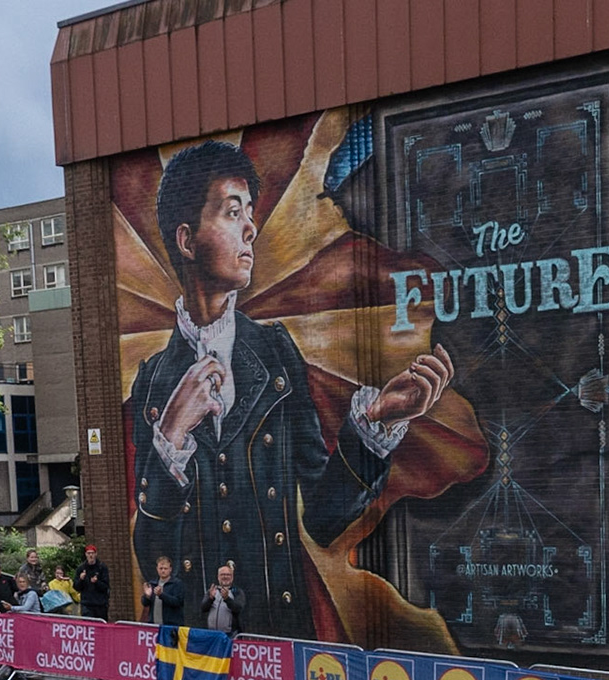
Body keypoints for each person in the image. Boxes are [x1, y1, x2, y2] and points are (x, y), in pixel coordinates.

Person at [130, 138, 454, 641]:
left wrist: (374, 424)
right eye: (232, 212)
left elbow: (324, 518)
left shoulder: (276, 353)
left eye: (250, 214)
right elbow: (153, 553)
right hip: (198, 638)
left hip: (279, 632)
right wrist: (169, 436)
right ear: (187, 240)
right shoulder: (152, 380)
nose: (250, 228)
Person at [141, 555, 185, 628]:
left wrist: (161, 595)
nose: (163, 571)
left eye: (165, 568)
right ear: (157, 569)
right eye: (161, 568)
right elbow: (145, 603)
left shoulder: (177, 583)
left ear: (170, 569)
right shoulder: (153, 584)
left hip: (171, 626)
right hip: (154, 625)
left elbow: (178, 602)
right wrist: (147, 596)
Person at [73, 544, 111, 621]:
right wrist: (81, 579)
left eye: (92, 553)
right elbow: (76, 587)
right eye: (89, 553)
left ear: (96, 554)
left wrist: (96, 582)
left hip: (100, 605)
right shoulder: (81, 568)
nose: (91, 555)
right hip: (87, 604)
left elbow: (106, 586)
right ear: (86, 554)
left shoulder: (102, 567)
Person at [203, 562, 244, 635]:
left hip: (230, 634)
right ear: (218, 577)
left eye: (228, 575)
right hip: (212, 634)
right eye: (222, 574)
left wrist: (227, 598)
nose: (225, 577)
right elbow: (203, 608)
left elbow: (238, 608)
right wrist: (210, 598)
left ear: (232, 577)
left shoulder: (237, 592)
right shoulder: (212, 591)